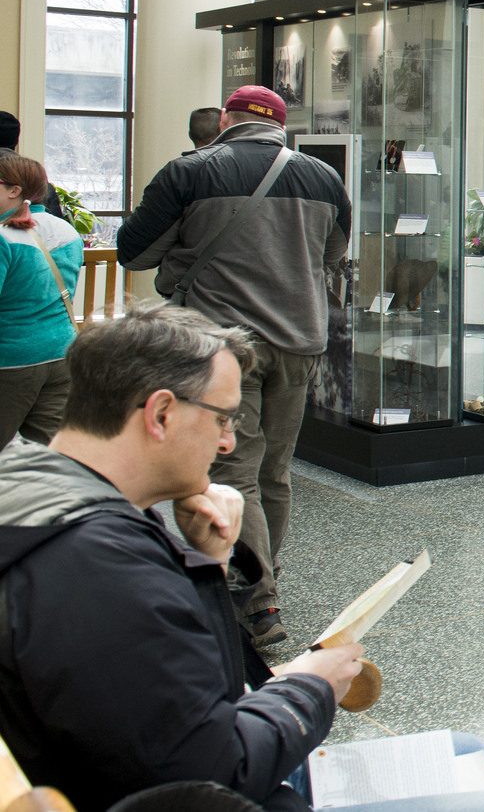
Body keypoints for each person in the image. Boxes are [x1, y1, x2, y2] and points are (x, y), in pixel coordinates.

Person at [0, 305, 484, 812]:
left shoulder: (40, 491)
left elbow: (184, 689)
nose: (228, 443)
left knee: (470, 754)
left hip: (175, 767)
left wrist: (207, 562)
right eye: (222, 419)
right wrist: (312, 686)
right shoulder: (99, 566)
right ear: (161, 412)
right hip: (212, 788)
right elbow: (215, 772)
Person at [116, 85, 349, 648]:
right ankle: (265, 576)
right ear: (280, 124)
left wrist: (186, 256)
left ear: (226, 118)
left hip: (224, 349)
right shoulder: (323, 178)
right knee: (274, 467)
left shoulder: (189, 172)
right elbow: (334, 256)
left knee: (232, 469)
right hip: (300, 339)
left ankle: (256, 598)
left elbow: (133, 251)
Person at [0, 154, 79, 446]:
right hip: (61, 352)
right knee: (53, 455)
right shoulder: (66, 230)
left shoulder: (3, 236)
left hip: (10, 358)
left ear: (14, 190)